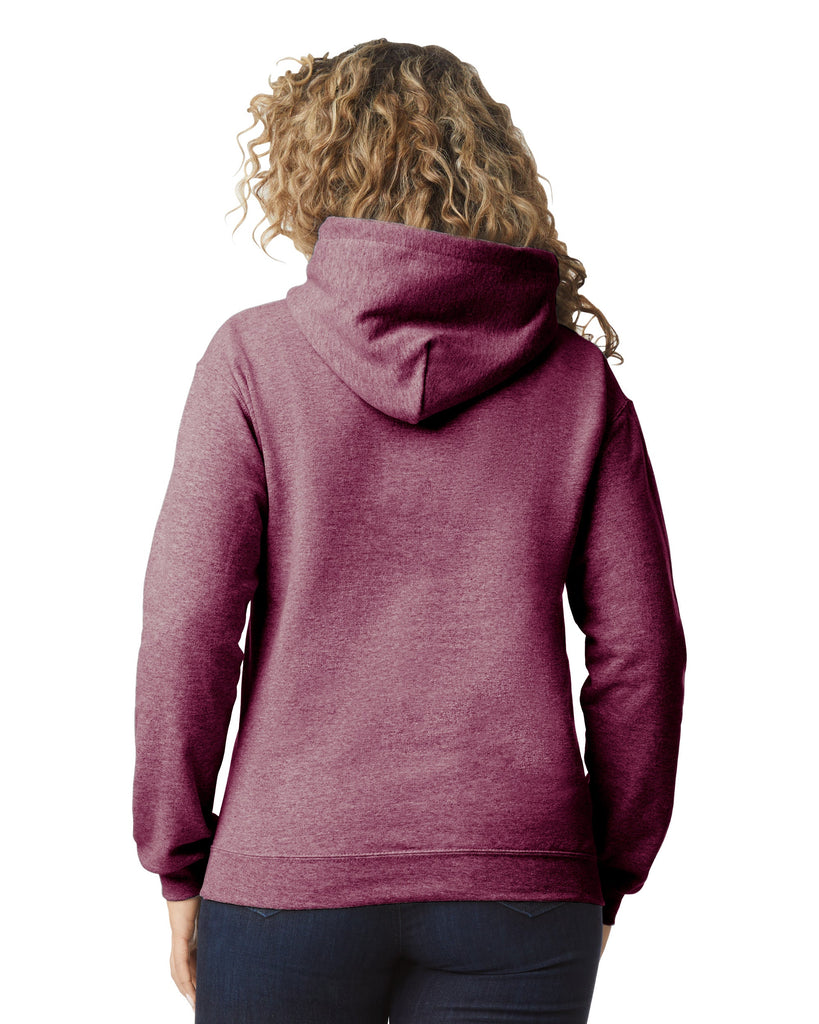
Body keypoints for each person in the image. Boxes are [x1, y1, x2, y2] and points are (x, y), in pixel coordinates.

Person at [132, 38, 686, 1024]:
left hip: (287, 873)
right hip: (522, 881)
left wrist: (177, 859)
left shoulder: (254, 359)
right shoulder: (575, 382)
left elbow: (188, 627)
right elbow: (643, 651)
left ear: (310, 169)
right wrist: (605, 869)